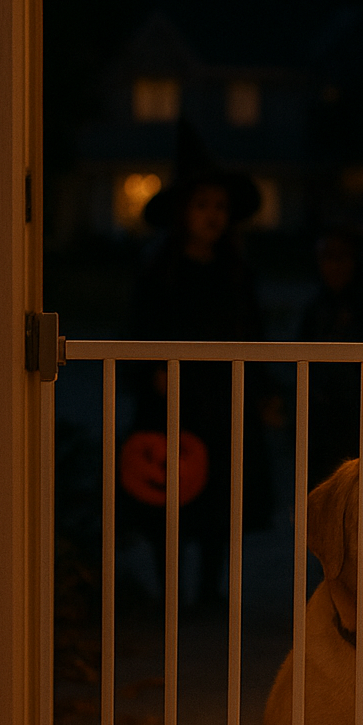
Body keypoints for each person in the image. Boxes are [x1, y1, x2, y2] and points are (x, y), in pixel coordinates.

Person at [125, 120, 275, 603]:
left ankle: (211, 589)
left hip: (221, 399)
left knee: (219, 497)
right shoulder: (158, 271)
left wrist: (263, 387)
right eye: (202, 205)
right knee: (166, 493)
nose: (212, 215)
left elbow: (254, 334)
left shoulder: (236, 273)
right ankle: (169, 587)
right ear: (182, 213)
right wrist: (149, 370)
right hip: (168, 401)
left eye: (220, 207)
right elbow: (135, 328)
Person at [296, 228, 363, 487]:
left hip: (360, 418)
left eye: (342, 258)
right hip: (318, 422)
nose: (334, 266)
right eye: (327, 257)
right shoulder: (314, 310)